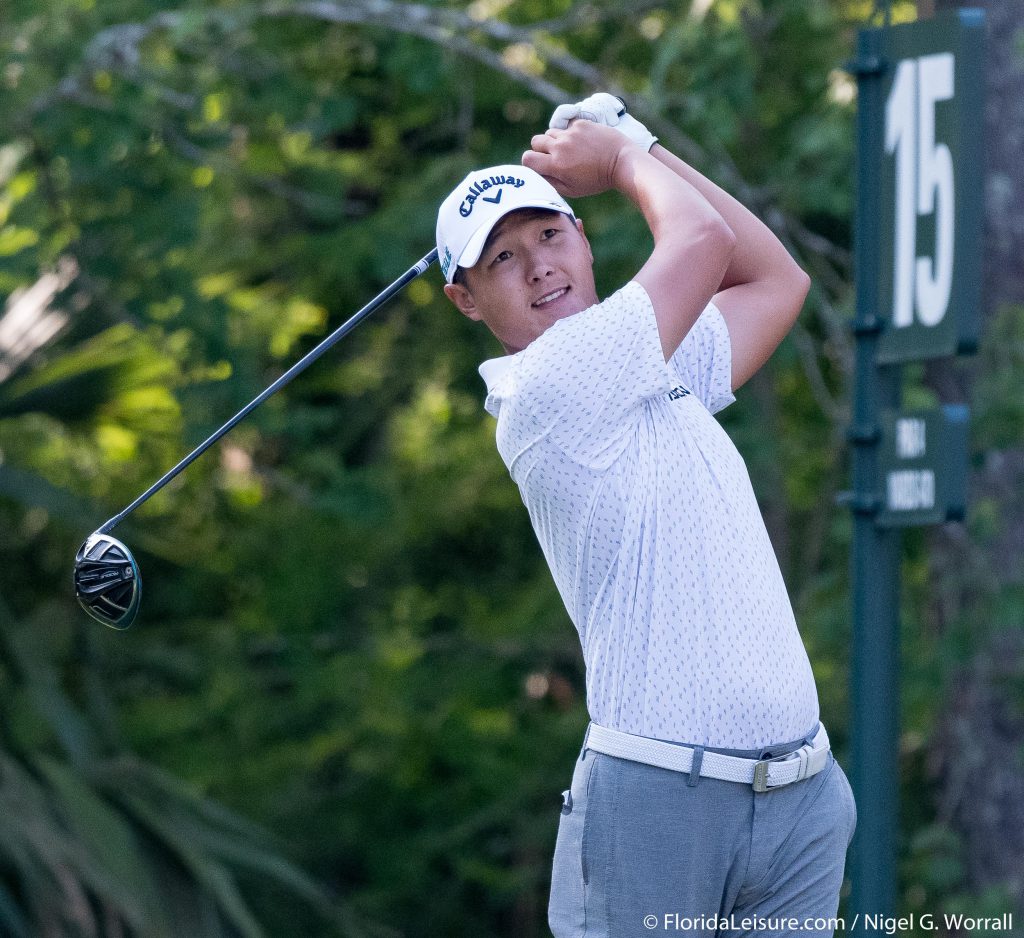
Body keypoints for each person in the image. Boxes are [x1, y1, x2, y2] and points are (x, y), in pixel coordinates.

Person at [435, 94, 857, 937]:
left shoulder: (656, 367)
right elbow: (699, 242)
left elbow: (775, 278)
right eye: (503, 259)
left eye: (550, 234)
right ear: (467, 300)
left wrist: (640, 143)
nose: (539, 265)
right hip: (662, 804)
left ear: (583, 240)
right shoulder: (547, 389)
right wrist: (624, 160)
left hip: (802, 799)